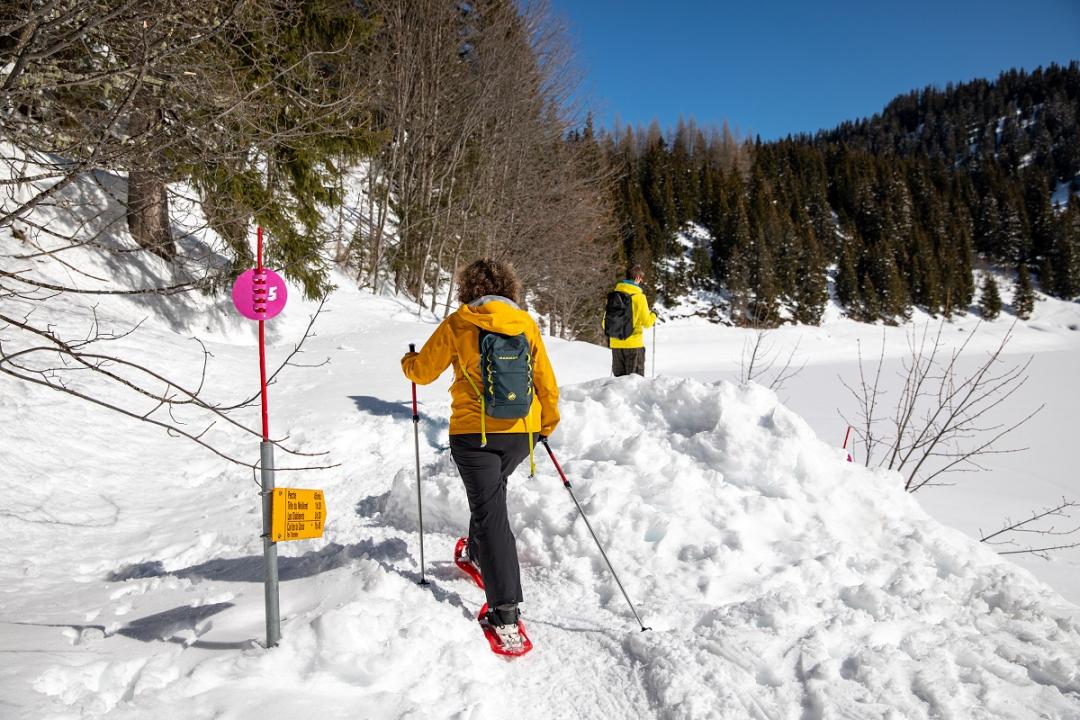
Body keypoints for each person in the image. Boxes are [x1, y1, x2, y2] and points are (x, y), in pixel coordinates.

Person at [401, 258, 559, 650]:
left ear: (468, 288)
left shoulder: (460, 322)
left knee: (491, 512)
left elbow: (422, 372)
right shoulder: (525, 323)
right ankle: (475, 553)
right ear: (510, 288)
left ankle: (505, 611)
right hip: (521, 433)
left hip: (475, 436)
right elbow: (545, 381)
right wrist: (545, 425)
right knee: (490, 497)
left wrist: (407, 361)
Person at [604, 264, 657, 377]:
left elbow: (604, 323)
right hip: (634, 345)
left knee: (619, 384)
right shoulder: (639, 297)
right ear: (638, 279)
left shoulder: (614, 296)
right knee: (635, 383)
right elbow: (647, 323)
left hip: (616, 346)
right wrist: (654, 315)